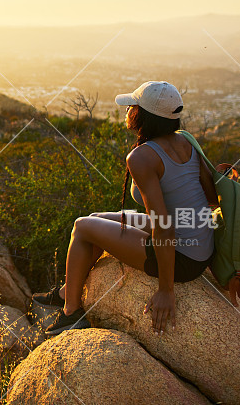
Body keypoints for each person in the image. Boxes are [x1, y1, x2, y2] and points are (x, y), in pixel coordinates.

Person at [34, 81, 218, 336]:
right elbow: (212, 198)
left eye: (132, 106)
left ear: (144, 115)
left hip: (182, 257)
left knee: (81, 226)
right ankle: (68, 291)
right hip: (198, 245)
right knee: (96, 219)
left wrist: (166, 290)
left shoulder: (143, 157)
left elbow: (162, 226)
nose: (128, 111)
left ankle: (71, 314)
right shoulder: (186, 142)